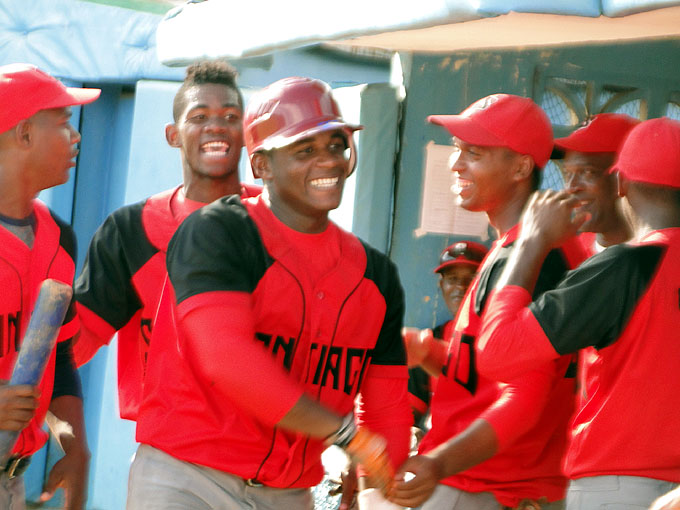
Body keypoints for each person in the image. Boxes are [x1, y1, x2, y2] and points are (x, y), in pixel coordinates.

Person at [128, 77, 412, 510]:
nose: (328, 161)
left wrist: (384, 489)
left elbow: (385, 407)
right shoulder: (219, 231)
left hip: (288, 493)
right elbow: (229, 360)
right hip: (188, 478)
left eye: (336, 145)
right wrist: (345, 434)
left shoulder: (377, 276)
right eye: (305, 150)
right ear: (261, 166)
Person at [389, 94, 589, 510]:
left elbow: (525, 399)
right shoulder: (518, 249)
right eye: (458, 150)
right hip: (491, 485)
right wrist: (430, 352)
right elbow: (493, 375)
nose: (455, 163)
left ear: (519, 167)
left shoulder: (534, 259)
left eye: (473, 153)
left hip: (488, 488)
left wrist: (436, 464)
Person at [476, 117, 680, 509]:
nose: (572, 187)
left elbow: (497, 351)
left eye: (587, 172)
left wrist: (530, 243)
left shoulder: (627, 266)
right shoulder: (612, 260)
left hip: (621, 486)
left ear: (620, 183)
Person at [73, 60, 260, 421]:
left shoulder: (274, 221)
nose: (216, 126)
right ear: (173, 134)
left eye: (231, 116)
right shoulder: (131, 230)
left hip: (262, 435)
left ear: (247, 133)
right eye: (199, 116)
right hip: (169, 445)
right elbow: (76, 341)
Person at [0, 63, 99, 510]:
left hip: (10, 479)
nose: (75, 136)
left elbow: (58, 356)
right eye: (62, 123)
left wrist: (73, 446)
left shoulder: (59, 236)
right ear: (23, 134)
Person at [406, 240, 489, 433]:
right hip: (439, 454)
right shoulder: (428, 341)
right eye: (452, 279)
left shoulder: (500, 335)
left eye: (471, 279)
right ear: (442, 285)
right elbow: (409, 412)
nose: (460, 287)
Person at [554, 113, 638, 253]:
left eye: (588, 172)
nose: (571, 187)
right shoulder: (569, 253)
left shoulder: (658, 257)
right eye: (568, 173)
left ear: (624, 179)